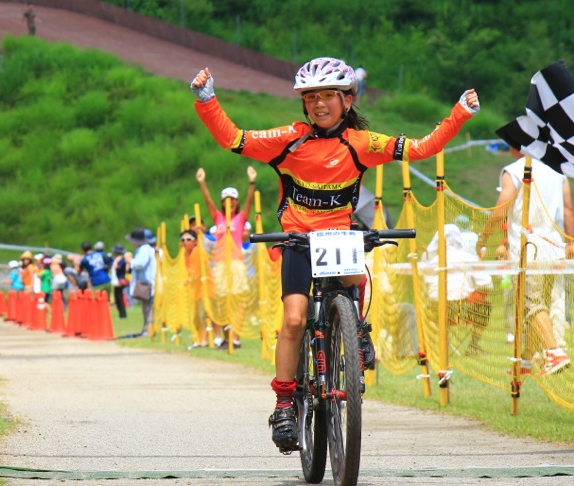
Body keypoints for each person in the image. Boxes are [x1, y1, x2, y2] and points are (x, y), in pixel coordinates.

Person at [190, 57, 479, 449]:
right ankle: (284, 405)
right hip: (298, 239)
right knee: (293, 320)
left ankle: (356, 330)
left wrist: (459, 113)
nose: (319, 104)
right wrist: (206, 99)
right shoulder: (290, 138)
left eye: (328, 96)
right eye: (311, 97)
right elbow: (234, 139)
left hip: (337, 239)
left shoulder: (360, 143)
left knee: (356, 279)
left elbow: (423, 148)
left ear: (347, 100)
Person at [477, 148, 574, 376]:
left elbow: (501, 209)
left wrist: (482, 239)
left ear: (516, 147)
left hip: (528, 250)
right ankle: (525, 361)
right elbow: (569, 209)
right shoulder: (557, 172)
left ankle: (554, 353)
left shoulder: (512, 170)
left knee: (532, 306)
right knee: (537, 306)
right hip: (553, 249)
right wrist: (570, 242)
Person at [195, 166, 257, 349]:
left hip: (237, 262)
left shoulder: (240, 218)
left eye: (233, 200)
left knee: (238, 299)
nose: (230, 203)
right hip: (220, 263)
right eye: (226, 200)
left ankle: (236, 337)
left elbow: (249, 201)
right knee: (221, 299)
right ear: (222, 203)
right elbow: (207, 201)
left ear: (237, 202)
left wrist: (252, 182)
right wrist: (202, 182)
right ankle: (225, 336)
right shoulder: (218, 218)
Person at [422, 224, 492, 357]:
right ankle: (473, 345)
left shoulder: (432, 262)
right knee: (486, 306)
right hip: (461, 310)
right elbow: (486, 283)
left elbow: (426, 287)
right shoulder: (468, 258)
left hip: (434, 310)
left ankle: (432, 349)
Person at [126, 227, 157, 336]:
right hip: (144, 283)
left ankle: (149, 329)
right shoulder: (142, 248)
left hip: (147, 282)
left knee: (149, 307)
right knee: (145, 307)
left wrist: (131, 261)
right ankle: (146, 328)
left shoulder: (144, 249)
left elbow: (140, 264)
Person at [111, 243, 129, 319]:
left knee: (119, 297)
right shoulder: (120, 259)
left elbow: (115, 267)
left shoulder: (121, 259)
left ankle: (122, 314)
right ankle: (121, 314)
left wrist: (115, 261)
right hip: (118, 280)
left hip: (120, 280)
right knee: (117, 297)